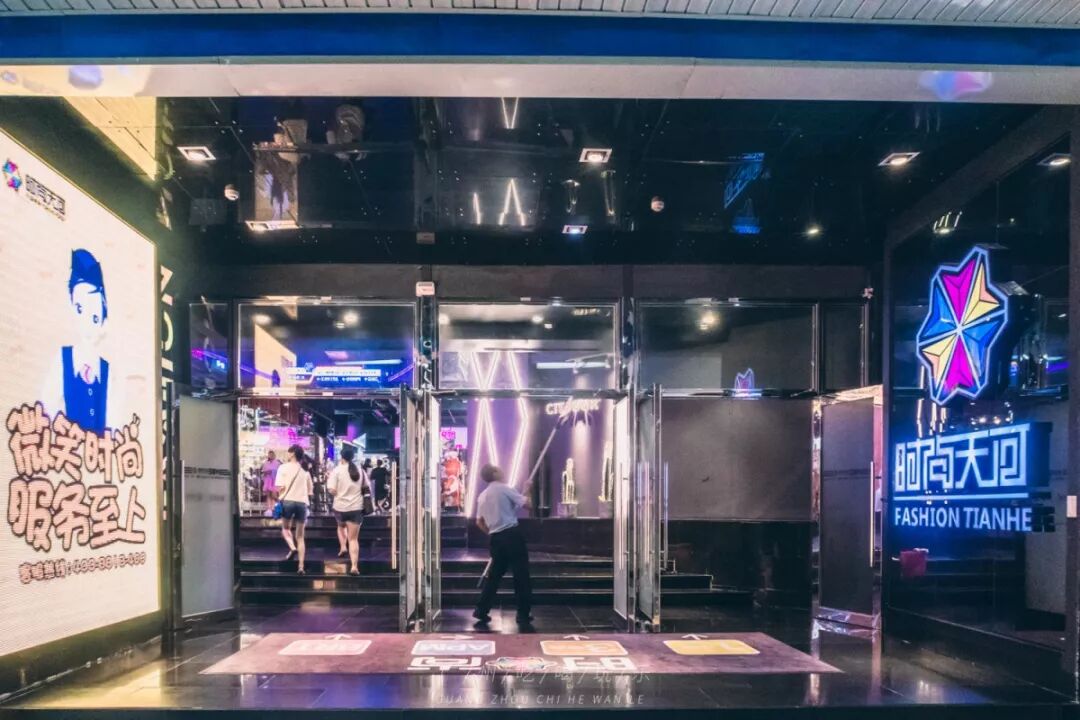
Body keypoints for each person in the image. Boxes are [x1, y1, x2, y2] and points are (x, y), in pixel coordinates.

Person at [473, 464, 532, 627]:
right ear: (494, 473)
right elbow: (528, 505)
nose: (502, 470)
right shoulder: (505, 488)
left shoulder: (482, 496)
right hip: (512, 536)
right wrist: (528, 490)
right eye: (498, 469)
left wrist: (492, 533)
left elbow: (479, 522)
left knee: (494, 576)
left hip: (496, 539)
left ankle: (481, 610)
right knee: (521, 575)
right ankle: (523, 614)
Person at [327, 447, 369, 576]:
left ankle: (343, 546)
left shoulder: (337, 471)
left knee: (341, 527)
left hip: (340, 507)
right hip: (356, 508)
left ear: (341, 456)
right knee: (353, 539)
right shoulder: (360, 470)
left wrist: (340, 492)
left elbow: (331, 490)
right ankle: (354, 566)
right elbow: (367, 487)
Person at [275, 444, 314, 575]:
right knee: (300, 537)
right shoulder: (305, 470)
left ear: (292, 454)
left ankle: (292, 548)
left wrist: (281, 492)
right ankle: (301, 566)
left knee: (285, 528)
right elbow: (310, 491)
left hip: (288, 502)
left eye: (288, 452)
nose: (287, 454)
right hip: (302, 503)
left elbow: (279, 487)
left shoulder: (283, 468)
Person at [261, 450, 282, 517]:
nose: (270, 456)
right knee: (268, 495)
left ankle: (274, 508)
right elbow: (263, 472)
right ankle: (269, 509)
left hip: (274, 481)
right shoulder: (266, 463)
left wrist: (272, 471)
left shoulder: (277, 463)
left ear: (274, 455)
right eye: (269, 455)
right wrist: (266, 473)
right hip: (268, 481)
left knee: (274, 495)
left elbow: (280, 472)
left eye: (272, 454)